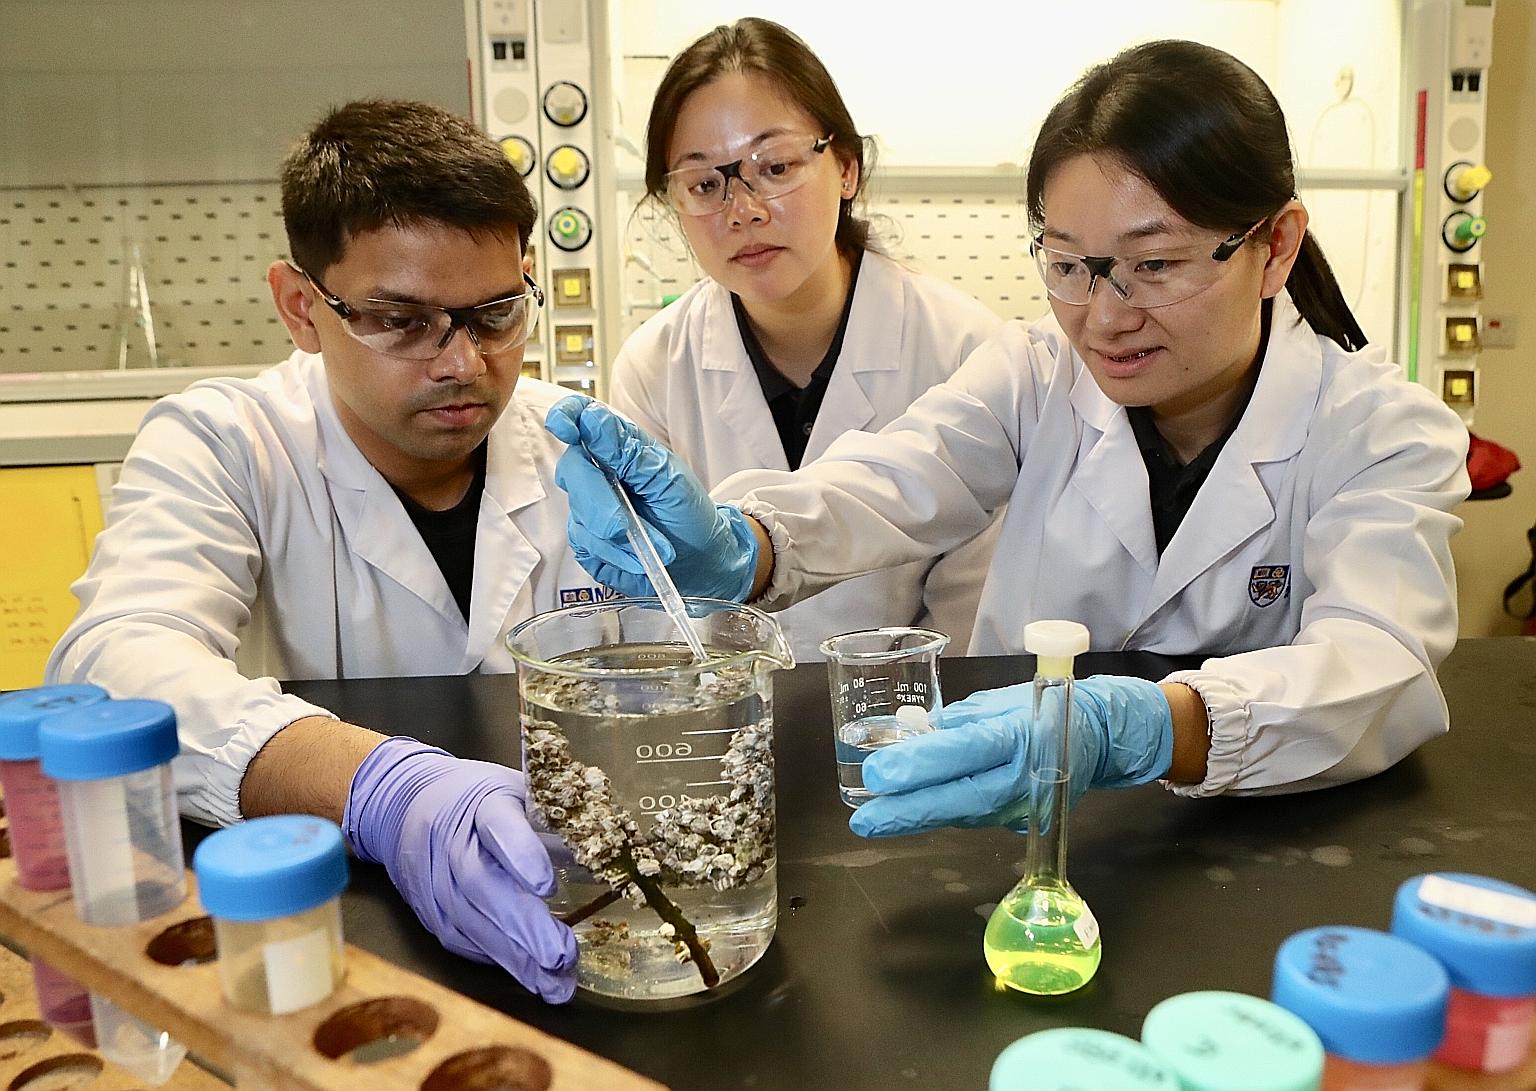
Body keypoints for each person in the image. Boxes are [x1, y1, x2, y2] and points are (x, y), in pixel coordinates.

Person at [547, 40, 1471, 837]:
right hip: (1018, 828)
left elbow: (1380, 664)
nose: (1105, 316)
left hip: (1268, 844)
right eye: (1068, 264)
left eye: (1152, 265)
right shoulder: (1033, 373)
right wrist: (743, 541)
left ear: (1273, 247)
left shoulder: (1383, 434)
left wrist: (1152, 725)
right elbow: (900, 475)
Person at [46, 100, 581, 1001]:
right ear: (302, 306)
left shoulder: (582, 446)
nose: (463, 362)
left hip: (562, 893)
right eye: (402, 321)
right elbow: (115, 660)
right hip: (307, 920)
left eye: (494, 313)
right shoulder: (225, 440)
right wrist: (379, 789)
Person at [609, 17, 1003, 660]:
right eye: (705, 183)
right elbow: (656, 616)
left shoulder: (963, 350)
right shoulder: (654, 369)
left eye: (776, 165)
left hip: (914, 722)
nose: (744, 210)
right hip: (724, 725)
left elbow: (972, 612)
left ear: (845, 168)